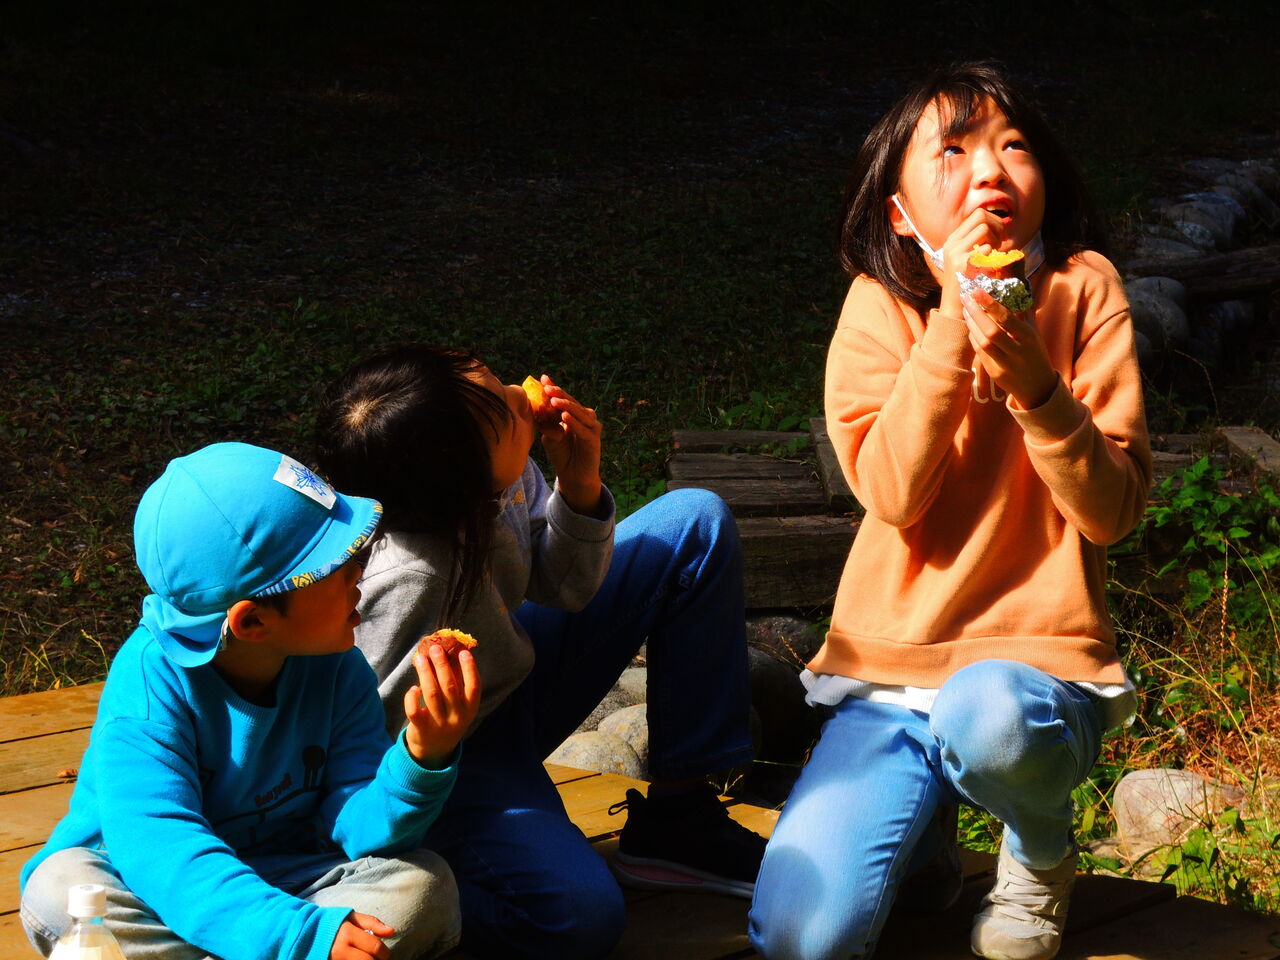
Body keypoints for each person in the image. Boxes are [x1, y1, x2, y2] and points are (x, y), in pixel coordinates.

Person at [747, 61, 1152, 960]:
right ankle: (922, 850)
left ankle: (1039, 848)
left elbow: (1113, 513)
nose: (992, 169)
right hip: (890, 671)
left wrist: (1036, 386)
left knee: (988, 716)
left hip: (1030, 676)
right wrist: (952, 322)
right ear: (899, 212)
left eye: (1015, 146)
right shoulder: (878, 304)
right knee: (802, 938)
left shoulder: (1083, 287)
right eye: (956, 150)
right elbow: (890, 492)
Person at [314, 345, 766, 960]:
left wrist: (579, 486)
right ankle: (375, 907)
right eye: (503, 409)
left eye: (499, 384)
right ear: (459, 481)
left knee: (694, 523)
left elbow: (564, 588)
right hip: (450, 755)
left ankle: (680, 821)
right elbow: (359, 742)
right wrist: (432, 759)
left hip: (512, 679)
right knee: (579, 917)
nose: (518, 398)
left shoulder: (503, 477)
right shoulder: (402, 582)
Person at [20, 441, 481, 960]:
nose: (358, 571)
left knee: (424, 883)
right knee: (59, 888)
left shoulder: (338, 667)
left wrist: (423, 756)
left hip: (286, 877)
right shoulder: (148, 685)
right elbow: (162, 849)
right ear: (253, 621)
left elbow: (356, 825)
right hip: (148, 880)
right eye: (334, 567)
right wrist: (296, 937)